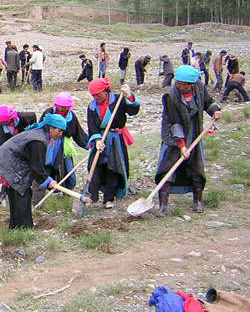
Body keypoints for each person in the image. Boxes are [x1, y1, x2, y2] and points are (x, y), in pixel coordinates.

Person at [155, 65, 221, 216]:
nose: (180, 86)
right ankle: (163, 206)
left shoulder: (199, 87)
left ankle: (198, 201)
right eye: (178, 83)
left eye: (184, 84)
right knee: (167, 169)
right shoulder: (170, 96)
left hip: (194, 133)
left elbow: (208, 102)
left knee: (197, 168)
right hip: (173, 136)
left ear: (191, 84)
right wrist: (181, 145)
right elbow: (174, 122)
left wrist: (215, 110)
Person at [0, 113, 67, 229]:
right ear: (50, 127)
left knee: (20, 193)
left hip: (11, 161)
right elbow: (36, 167)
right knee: (22, 192)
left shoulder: (39, 134)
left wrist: (47, 180)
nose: (60, 134)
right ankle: (23, 227)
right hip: (8, 162)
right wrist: (49, 181)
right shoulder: (38, 141)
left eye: (62, 132)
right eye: (59, 131)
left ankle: (16, 227)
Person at [87, 77, 140, 208]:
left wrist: (129, 96)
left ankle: (108, 199)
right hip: (100, 138)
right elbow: (92, 126)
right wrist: (97, 140)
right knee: (96, 167)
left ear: (106, 91)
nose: (96, 97)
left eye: (98, 95)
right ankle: (91, 197)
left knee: (113, 167)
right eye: (93, 95)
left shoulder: (118, 100)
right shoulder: (92, 107)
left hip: (116, 138)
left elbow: (133, 111)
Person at [32, 92, 89, 204]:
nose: (62, 108)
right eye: (60, 106)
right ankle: (37, 199)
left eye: (65, 107)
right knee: (43, 170)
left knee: (68, 171)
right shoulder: (49, 113)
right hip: (48, 145)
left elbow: (78, 133)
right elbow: (40, 128)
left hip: (63, 148)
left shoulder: (71, 117)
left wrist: (90, 144)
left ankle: (67, 194)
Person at [0, 105, 37, 206]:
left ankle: (27, 191)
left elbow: (33, 118)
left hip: (24, 149)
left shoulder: (24, 118)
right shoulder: (1, 127)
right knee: (7, 172)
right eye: (2, 121)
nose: (4, 123)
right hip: (9, 151)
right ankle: (4, 193)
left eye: (6, 121)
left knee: (26, 171)